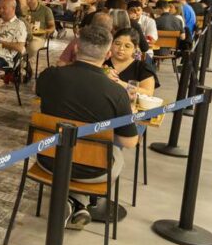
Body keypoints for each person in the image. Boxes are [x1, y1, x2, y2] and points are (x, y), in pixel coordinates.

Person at [36, 25, 139, 229]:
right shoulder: (116, 92)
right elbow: (129, 141)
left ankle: (73, 201)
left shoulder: (49, 76)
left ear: (75, 49)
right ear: (108, 54)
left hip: (47, 159)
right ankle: (78, 201)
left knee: (79, 149)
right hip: (92, 171)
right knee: (114, 151)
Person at [104, 28, 159, 96]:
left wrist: (119, 82)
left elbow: (148, 93)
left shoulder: (142, 68)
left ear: (135, 49)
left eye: (127, 46)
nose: (121, 48)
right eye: (117, 43)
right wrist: (102, 72)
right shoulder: (102, 62)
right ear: (111, 44)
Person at [23, 0, 55, 78]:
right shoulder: (24, 10)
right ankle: (22, 66)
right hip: (24, 36)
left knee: (32, 47)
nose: (29, 1)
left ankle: (22, 63)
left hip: (38, 37)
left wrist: (46, 31)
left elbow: (52, 27)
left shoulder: (46, 10)